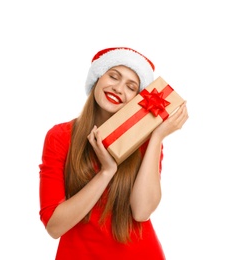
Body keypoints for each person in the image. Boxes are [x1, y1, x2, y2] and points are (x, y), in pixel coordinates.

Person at [39, 47, 189, 259]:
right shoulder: (60, 136)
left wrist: (156, 138)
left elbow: (141, 211)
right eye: (113, 76)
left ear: (137, 100)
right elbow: (54, 227)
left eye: (131, 86)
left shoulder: (145, 143)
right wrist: (106, 171)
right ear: (97, 79)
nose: (119, 89)